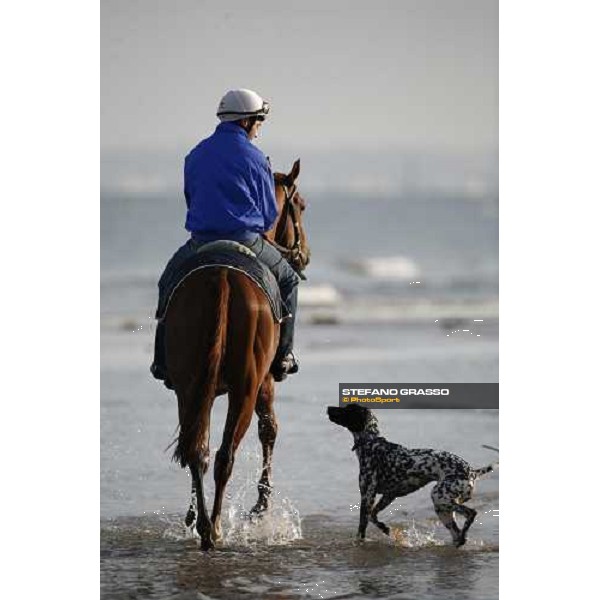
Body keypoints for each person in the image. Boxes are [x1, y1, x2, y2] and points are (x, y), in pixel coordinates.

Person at [151, 89, 300, 384]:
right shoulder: (256, 158)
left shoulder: (194, 155)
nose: (258, 130)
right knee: (289, 280)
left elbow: (191, 199)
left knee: (167, 282)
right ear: (246, 122)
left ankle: (161, 360)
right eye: (258, 123)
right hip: (246, 240)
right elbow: (270, 215)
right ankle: (284, 354)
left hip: (201, 241)